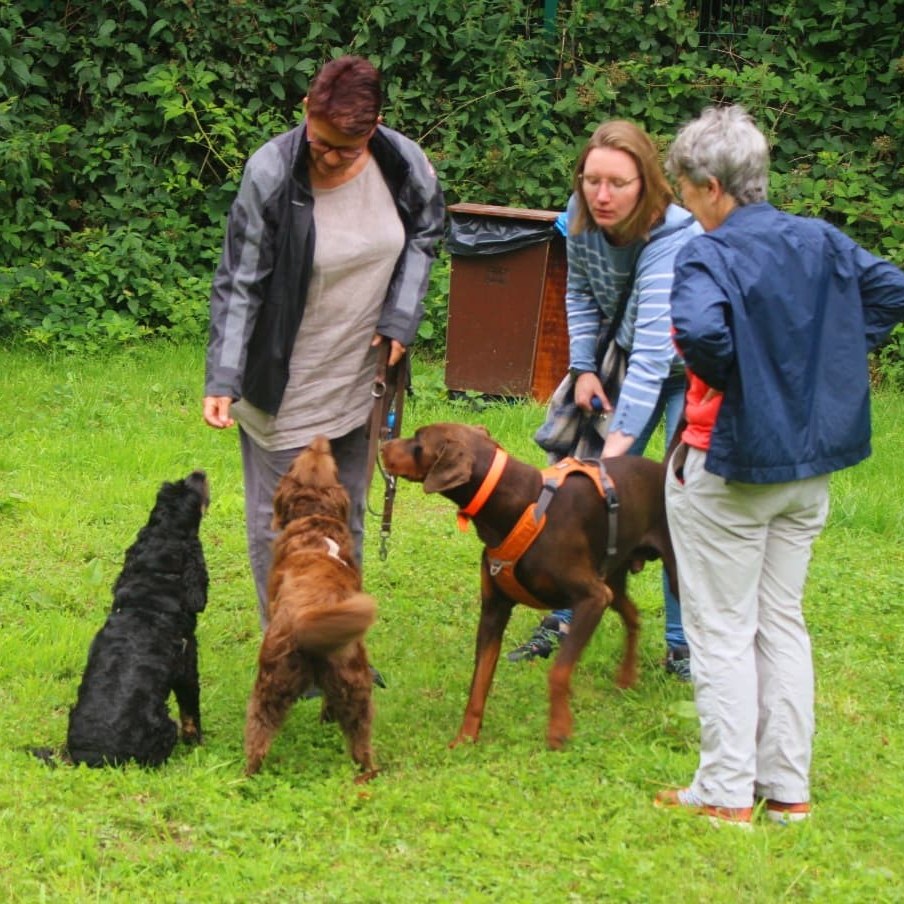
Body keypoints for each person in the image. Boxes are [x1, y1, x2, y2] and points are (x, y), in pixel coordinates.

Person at [655, 105, 904, 826]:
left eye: (682, 185)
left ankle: (727, 792)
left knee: (723, 629)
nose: (681, 199)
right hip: (807, 464)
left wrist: (750, 376)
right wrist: (816, 364)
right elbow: (890, 290)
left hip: (727, 462)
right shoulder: (819, 240)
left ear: (709, 184)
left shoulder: (709, 252)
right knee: (781, 622)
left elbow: (701, 330)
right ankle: (786, 789)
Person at [203, 55, 445, 632]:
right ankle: (287, 645)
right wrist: (223, 375)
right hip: (282, 380)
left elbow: (427, 231)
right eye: (320, 140)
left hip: (361, 380)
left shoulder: (401, 161)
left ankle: (338, 645)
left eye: (346, 148)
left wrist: (399, 318)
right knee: (284, 526)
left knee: (344, 519)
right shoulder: (272, 171)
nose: (329, 156)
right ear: (306, 115)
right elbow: (239, 279)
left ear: (375, 126)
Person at [508, 120, 701, 679]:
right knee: (584, 497)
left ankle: (681, 645)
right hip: (623, 357)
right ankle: (565, 615)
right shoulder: (584, 214)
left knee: (677, 499)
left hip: (690, 369)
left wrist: (616, 455)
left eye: (617, 182)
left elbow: (651, 357)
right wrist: (584, 367)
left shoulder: (675, 237)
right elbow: (579, 289)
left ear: (647, 183)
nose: (601, 194)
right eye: (591, 180)